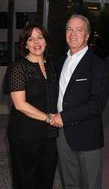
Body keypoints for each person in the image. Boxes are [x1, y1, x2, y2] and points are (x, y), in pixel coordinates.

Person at [50, 14, 109, 189]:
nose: (73, 33)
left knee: (91, 185)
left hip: (87, 137)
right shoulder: (60, 62)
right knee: (69, 184)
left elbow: (97, 103)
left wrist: (65, 117)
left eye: (79, 29)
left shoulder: (98, 65)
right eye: (69, 29)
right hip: (61, 136)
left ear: (87, 35)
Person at [4, 23, 58, 189]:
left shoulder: (52, 67)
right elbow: (20, 104)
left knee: (46, 180)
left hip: (49, 136)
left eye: (40, 37)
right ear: (25, 44)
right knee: (25, 182)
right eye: (31, 39)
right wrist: (49, 118)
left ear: (46, 41)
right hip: (24, 136)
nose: (36, 42)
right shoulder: (18, 67)